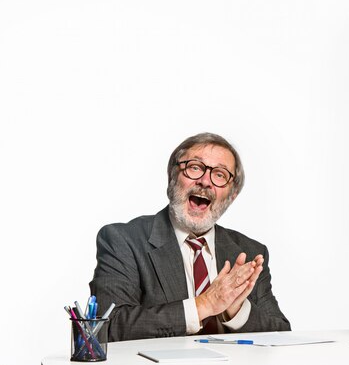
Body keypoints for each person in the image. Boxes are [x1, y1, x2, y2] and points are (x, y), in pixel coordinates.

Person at [90, 132, 290, 341]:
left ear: (232, 195)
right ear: (172, 175)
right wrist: (204, 305)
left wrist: (237, 310)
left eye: (220, 174)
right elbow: (107, 327)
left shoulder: (250, 252)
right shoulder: (123, 240)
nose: (205, 181)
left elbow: (282, 337)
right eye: (195, 167)